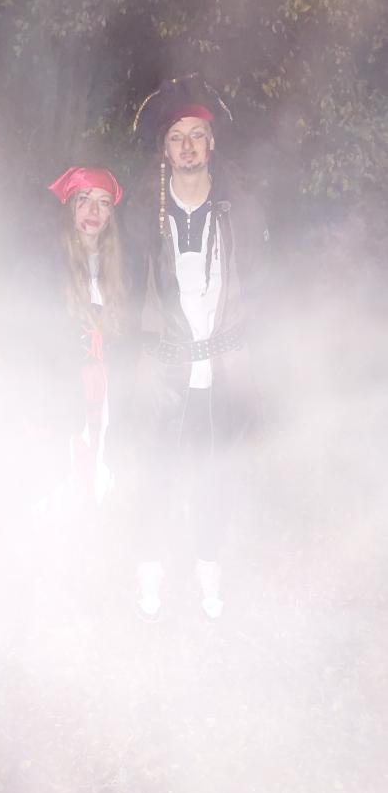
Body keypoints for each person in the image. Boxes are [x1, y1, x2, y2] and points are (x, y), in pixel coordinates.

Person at [128, 74, 269, 619]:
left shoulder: (241, 212)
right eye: (176, 137)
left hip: (223, 366)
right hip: (161, 369)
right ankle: (150, 571)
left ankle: (209, 569)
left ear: (212, 143)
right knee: (155, 473)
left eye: (196, 135)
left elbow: (261, 288)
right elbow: (125, 291)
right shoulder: (143, 216)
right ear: (164, 150)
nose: (186, 146)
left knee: (215, 474)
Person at [47, 165, 128, 507]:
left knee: (102, 458)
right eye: (84, 200)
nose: (94, 211)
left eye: (104, 202)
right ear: (70, 207)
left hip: (107, 383)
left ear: (111, 214)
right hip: (64, 383)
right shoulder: (49, 263)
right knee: (68, 465)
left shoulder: (122, 267)